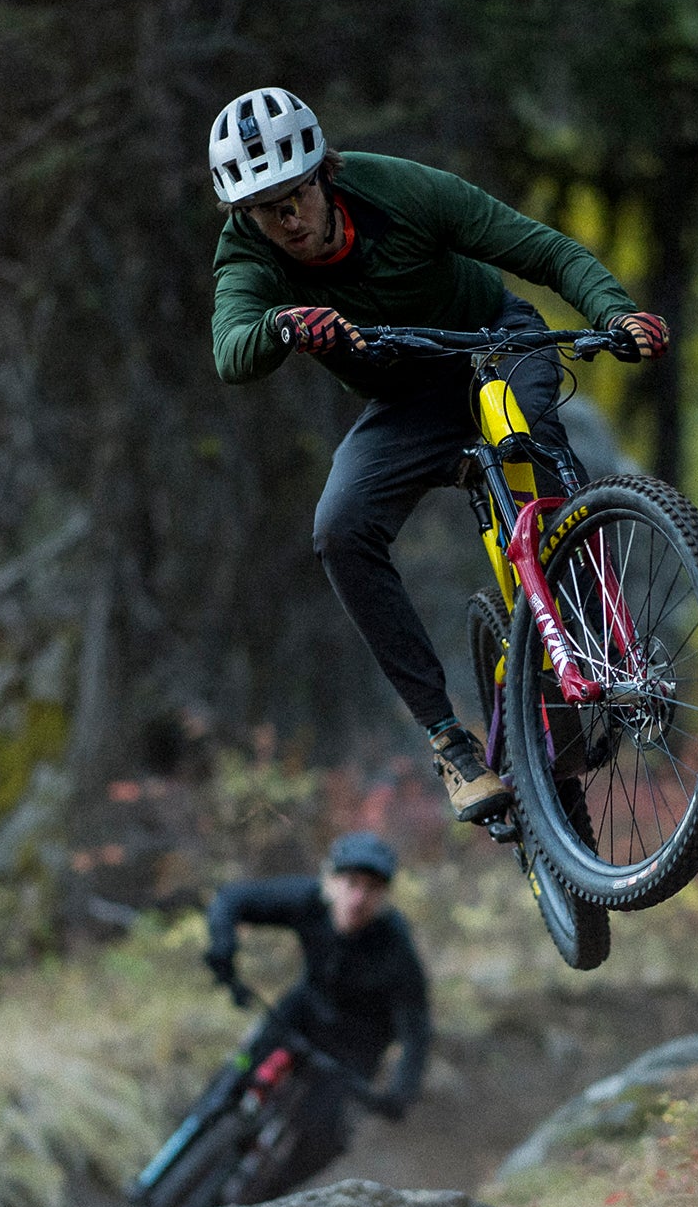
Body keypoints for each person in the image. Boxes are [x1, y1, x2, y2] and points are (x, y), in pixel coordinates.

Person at [203, 86, 670, 824]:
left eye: (295, 196)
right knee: (339, 526)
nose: (287, 220)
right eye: (266, 209)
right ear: (244, 214)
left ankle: (591, 637)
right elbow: (232, 350)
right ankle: (449, 741)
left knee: (519, 436)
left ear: (324, 173)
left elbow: (541, 248)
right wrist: (287, 324)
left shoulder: (399, 188)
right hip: (407, 402)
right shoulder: (249, 254)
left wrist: (613, 311)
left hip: (495, 344)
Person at [195, 830, 432, 1205]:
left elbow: (416, 1028)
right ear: (331, 881)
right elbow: (231, 900)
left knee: (325, 1137)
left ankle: (259, 1204)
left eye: (370, 889)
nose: (357, 898)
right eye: (351, 883)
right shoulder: (308, 900)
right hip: (303, 1012)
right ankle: (197, 1134)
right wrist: (223, 948)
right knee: (237, 1073)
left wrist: (402, 1091)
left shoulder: (395, 946)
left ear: (383, 896)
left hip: (354, 1050)